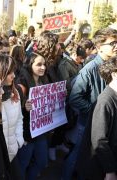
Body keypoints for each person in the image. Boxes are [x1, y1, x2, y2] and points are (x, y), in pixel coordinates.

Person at [63, 27, 117, 180]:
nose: (116, 46)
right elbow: (74, 98)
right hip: (88, 124)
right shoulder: (89, 69)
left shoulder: (112, 65)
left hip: (106, 126)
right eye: (112, 43)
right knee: (78, 160)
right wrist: (95, 111)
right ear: (99, 46)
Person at [0, 52, 24, 179]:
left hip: (13, 152)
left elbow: (19, 118)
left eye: (14, 71)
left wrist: (19, 140)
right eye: (9, 72)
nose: (13, 75)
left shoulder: (15, 92)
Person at [16, 52, 49, 180]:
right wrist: (24, 107)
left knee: (41, 162)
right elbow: (13, 108)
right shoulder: (21, 83)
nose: (43, 67)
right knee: (23, 163)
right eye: (39, 64)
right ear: (30, 65)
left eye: (44, 64)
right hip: (26, 132)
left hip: (40, 129)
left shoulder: (44, 79)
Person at [89, 57, 117, 180]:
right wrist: (110, 170)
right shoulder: (105, 101)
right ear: (115, 74)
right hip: (103, 169)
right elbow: (99, 140)